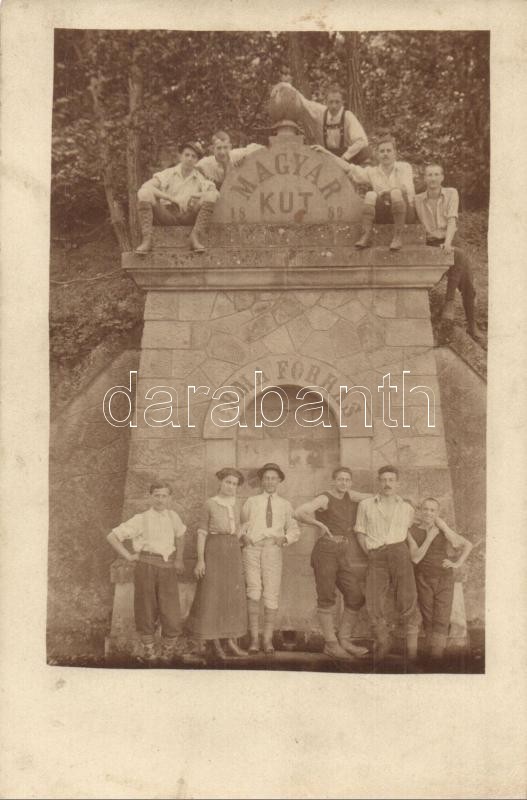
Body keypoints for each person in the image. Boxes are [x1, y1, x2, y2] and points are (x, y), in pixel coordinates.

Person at [295, 467, 372, 661]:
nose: (343, 483)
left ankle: (344, 640)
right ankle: (331, 644)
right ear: (333, 481)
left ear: (350, 482)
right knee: (327, 597)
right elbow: (300, 512)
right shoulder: (325, 498)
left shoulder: (349, 495)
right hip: (325, 551)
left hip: (342, 552)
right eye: (340, 479)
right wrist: (319, 524)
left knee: (355, 596)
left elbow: (372, 497)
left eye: (347, 480)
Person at [106, 481, 187, 664]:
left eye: (164, 496)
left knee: (171, 612)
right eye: (157, 495)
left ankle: (167, 654)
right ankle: (150, 654)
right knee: (146, 610)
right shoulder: (141, 519)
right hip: (146, 567)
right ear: (150, 497)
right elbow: (112, 536)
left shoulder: (173, 516)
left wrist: (179, 559)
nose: (160, 499)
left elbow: (181, 536)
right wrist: (128, 556)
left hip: (168, 568)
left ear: (170, 498)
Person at [354, 465, 419, 664]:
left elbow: (410, 530)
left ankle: (410, 647)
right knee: (373, 600)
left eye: (391, 480)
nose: (387, 484)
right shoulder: (366, 505)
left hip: (400, 552)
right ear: (378, 482)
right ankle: (383, 641)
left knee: (407, 597)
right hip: (376, 554)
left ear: (397, 483)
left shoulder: (407, 508)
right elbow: (360, 532)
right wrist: (371, 553)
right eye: (383, 480)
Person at [414, 163, 482, 341]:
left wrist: (447, 243)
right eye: (429, 175)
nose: (433, 178)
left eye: (436, 174)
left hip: (450, 239)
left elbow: (452, 221)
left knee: (468, 284)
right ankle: (449, 303)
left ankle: (472, 327)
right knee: (459, 255)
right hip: (430, 243)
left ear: (442, 177)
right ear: (425, 178)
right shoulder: (418, 199)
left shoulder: (451, 193)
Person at [186, 468, 248, 660]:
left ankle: (230, 642)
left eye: (234, 484)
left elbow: (241, 527)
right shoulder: (210, 504)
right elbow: (202, 533)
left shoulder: (238, 504)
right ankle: (214, 643)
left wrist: (241, 535)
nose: (231, 487)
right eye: (228, 482)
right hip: (214, 549)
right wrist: (201, 560)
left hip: (232, 551)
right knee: (212, 595)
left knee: (231, 596)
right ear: (221, 482)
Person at [314, 133, 416, 251]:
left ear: (395, 153)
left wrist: (387, 193)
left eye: (389, 151)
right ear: (377, 155)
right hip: (385, 214)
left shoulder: (404, 167)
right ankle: (365, 235)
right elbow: (349, 168)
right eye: (382, 151)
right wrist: (327, 153)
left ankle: (398, 236)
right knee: (370, 195)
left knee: (396, 193)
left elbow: (405, 188)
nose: (385, 154)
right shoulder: (372, 172)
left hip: (405, 213)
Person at [240, 463, 301, 655]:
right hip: (252, 549)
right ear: (261, 480)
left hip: (272, 549)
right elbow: (242, 525)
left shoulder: (285, 504)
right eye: (266, 478)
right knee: (253, 590)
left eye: (273, 478)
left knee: (271, 593)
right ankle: (254, 639)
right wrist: (244, 537)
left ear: (279, 480)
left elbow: (294, 529)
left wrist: (284, 538)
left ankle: (267, 639)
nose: (269, 481)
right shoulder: (251, 501)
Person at [407, 497, 473, 661]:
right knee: (428, 616)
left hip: (444, 578)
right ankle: (431, 654)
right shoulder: (411, 531)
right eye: (425, 509)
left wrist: (457, 563)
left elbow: (467, 545)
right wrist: (429, 537)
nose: (428, 513)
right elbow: (415, 557)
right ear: (420, 511)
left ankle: (437, 657)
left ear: (437, 513)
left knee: (442, 617)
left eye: (432, 510)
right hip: (423, 579)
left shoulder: (443, 529)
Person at [135, 141, 219, 255]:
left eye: (193, 156)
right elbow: (146, 186)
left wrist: (193, 196)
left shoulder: (200, 178)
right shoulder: (168, 173)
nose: (189, 159)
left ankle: (195, 236)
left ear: (197, 160)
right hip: (167, 215)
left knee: (210, 196)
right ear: (180, 156)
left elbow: (215, 194)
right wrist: (172, 198)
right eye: (187, 155)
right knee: (144, 193)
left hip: (188, 216)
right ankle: (147, 240)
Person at [270, 81, 371, 164]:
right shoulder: (320, 112)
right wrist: (284, 85)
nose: (334, 106)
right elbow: (303, 101)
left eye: (337, 102)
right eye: (331, 102)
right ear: (326, 102)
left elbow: (362, 141)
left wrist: (344, 158)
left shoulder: (348, 116)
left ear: (342, 102)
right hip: (326, 154)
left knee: (366, 151)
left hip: (346, 157)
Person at [196, 131, 264, 189]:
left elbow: (261, 149)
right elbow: (192, 169)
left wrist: (246, 159)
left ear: (230, 147)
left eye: (225, 147)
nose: (222, 152)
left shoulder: (236, 155)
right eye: (219, 148)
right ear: (213, 148)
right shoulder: (205, 163)